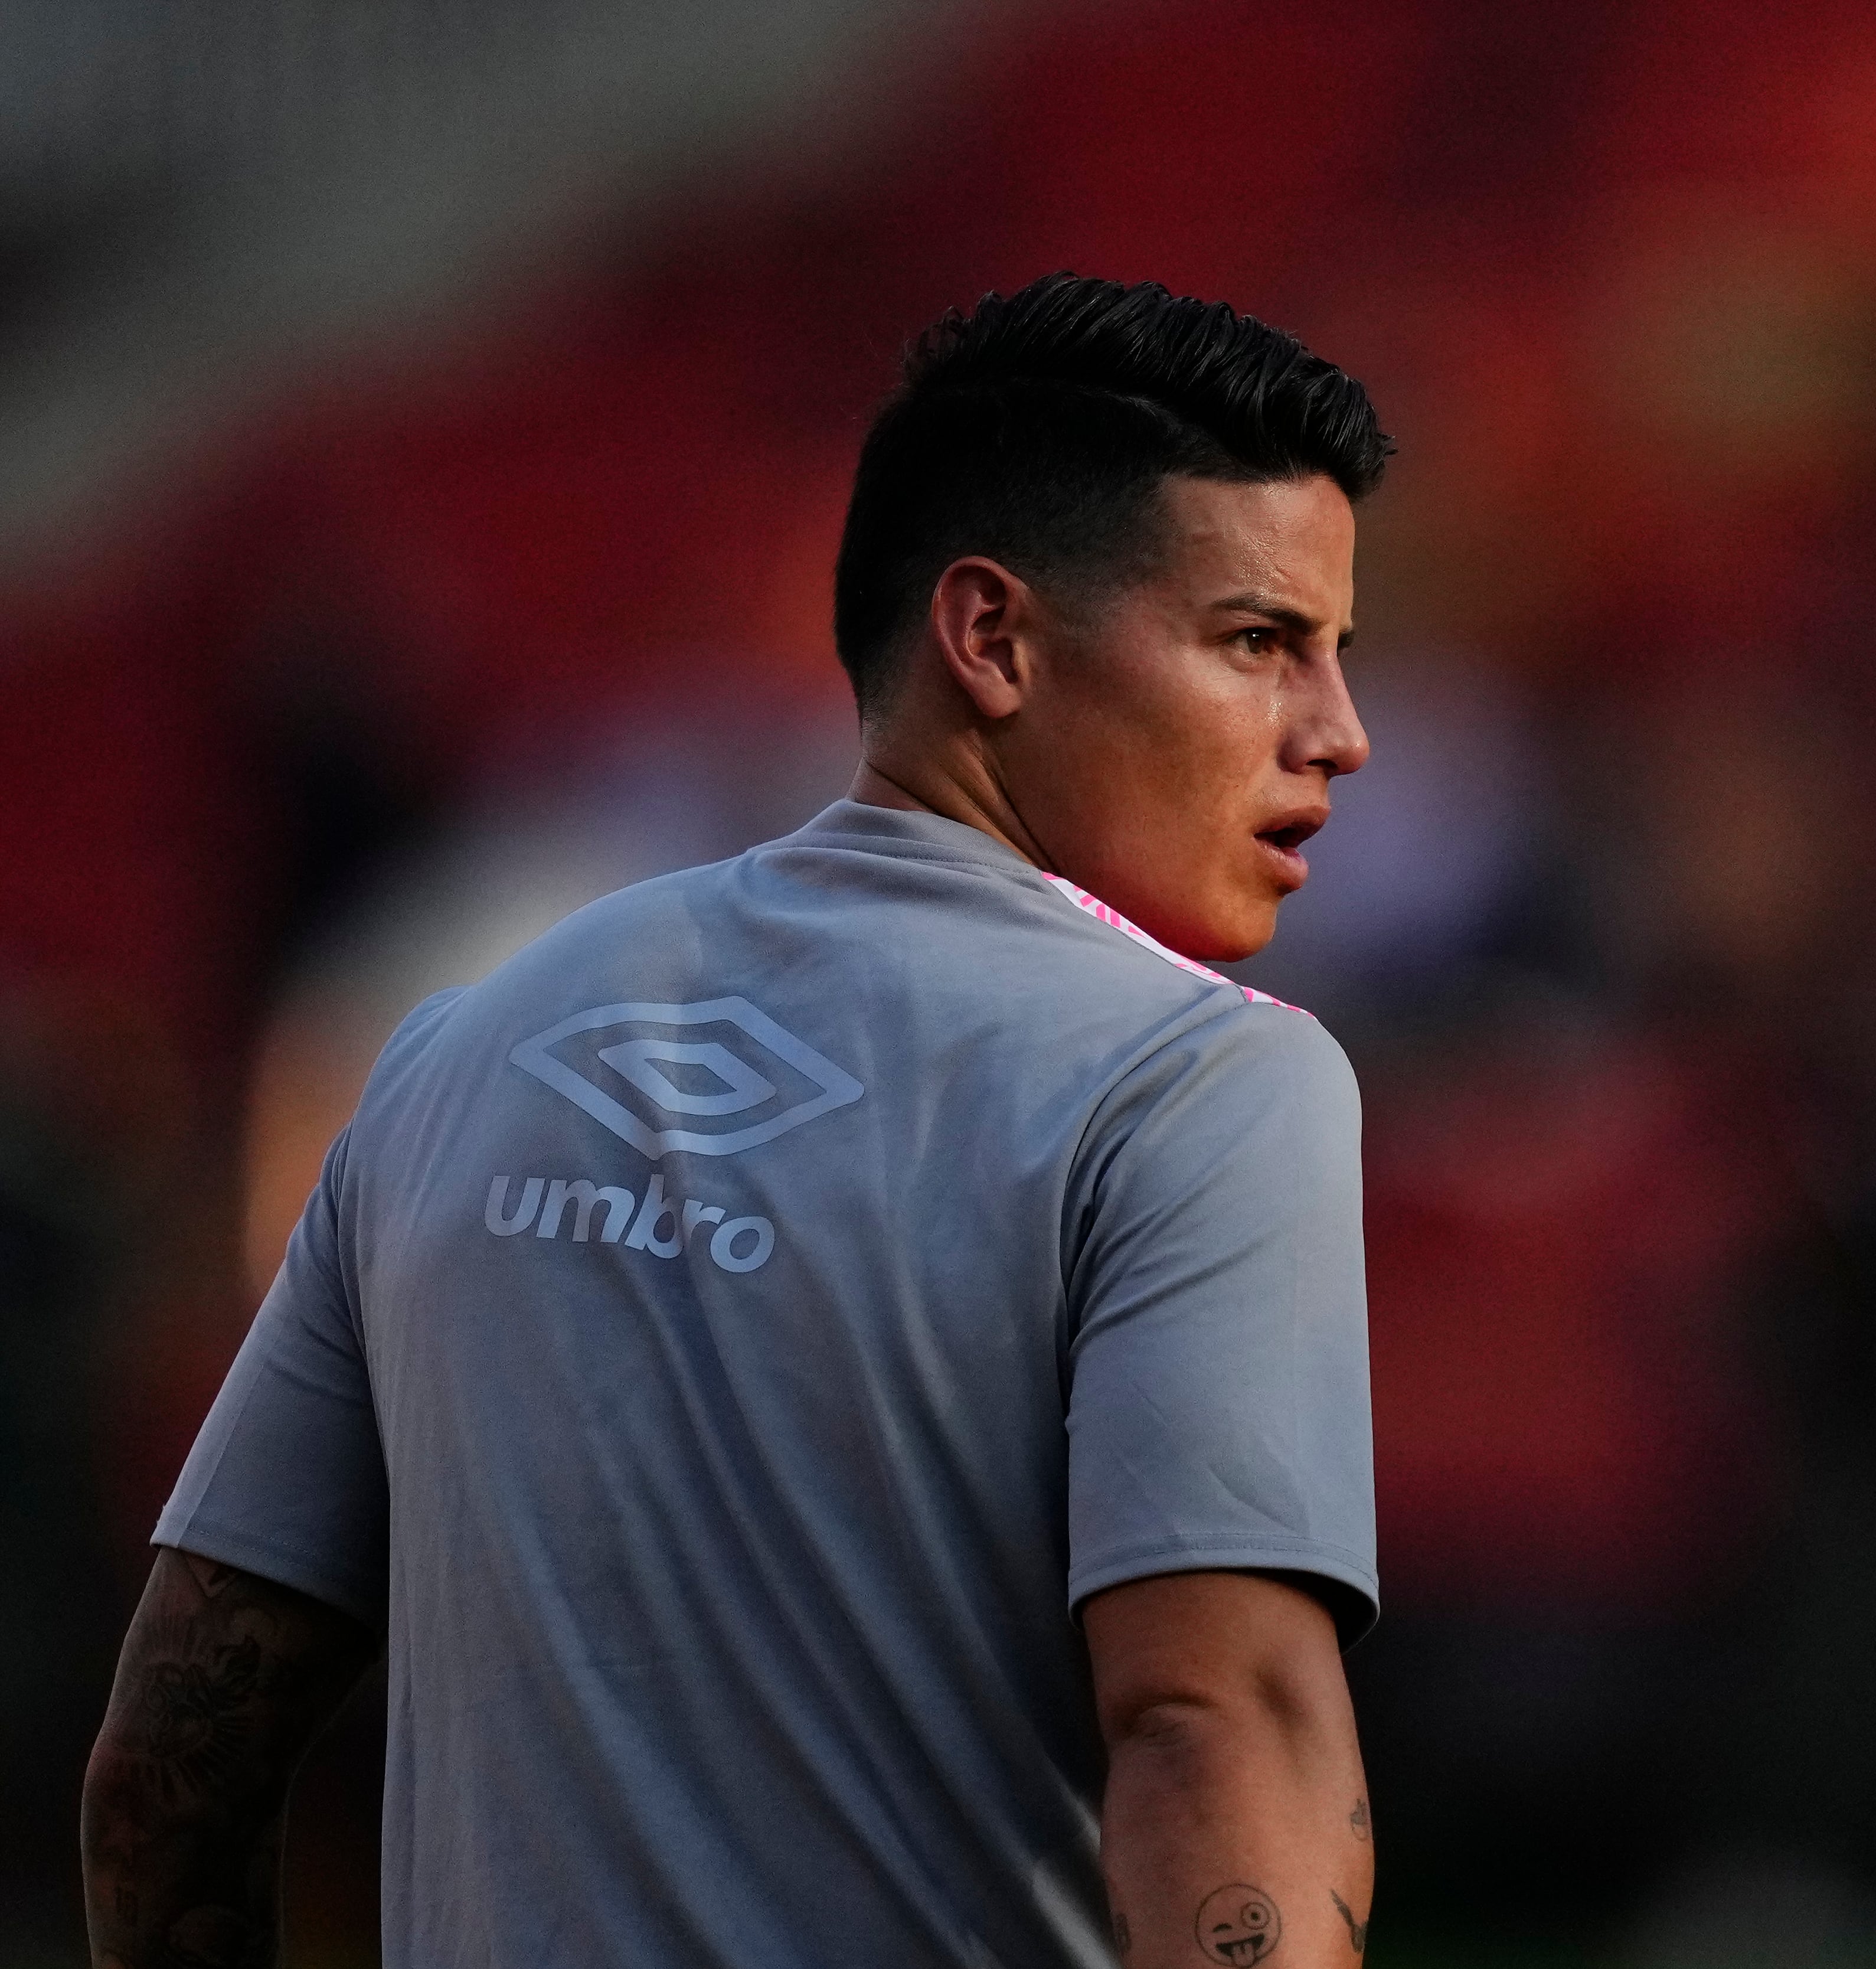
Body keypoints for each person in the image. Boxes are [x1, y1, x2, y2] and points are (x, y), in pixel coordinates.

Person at [82, 273, 1389, 1969]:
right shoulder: (1203, 1080)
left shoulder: (460, 1050)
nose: (1340, 733)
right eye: (1258, 643)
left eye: (1337, 654)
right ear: (991, 639)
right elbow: (1216, 1724)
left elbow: (170, 1762)